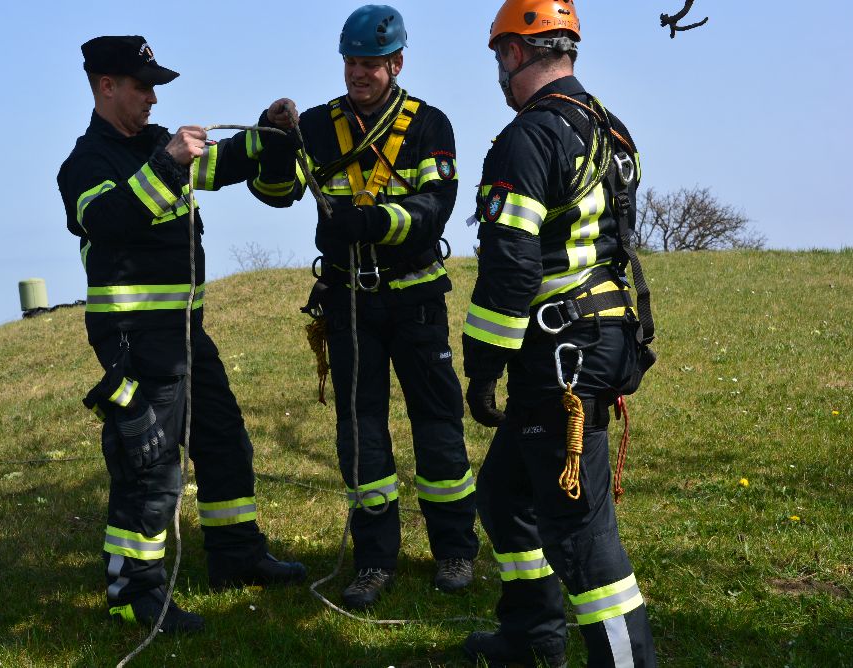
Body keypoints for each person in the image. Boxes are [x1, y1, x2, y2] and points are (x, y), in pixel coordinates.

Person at [56, 35, 306, 634]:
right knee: (149, 465)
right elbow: (109, 220)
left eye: (154, 88)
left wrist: (267, 129)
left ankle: (236, 556)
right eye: (141, 87)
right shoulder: (85, 164)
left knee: (223, 441)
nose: (152, 98)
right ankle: (134, 593)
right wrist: (168, 165)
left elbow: (230, 161)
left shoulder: (155, 142)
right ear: (106, 86)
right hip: (134, 340)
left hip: (186, 334)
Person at [256, 5, 478, 610]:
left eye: (370, 64)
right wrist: (274, 143)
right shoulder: (316, 126)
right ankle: (374, 561)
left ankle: (455, 551)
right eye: (351, 62)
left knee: (438, 427)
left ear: (396, 63)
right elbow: (276, 194)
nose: (358, 73)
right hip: (350, 303)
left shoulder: (430, 124)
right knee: (361, 435)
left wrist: (374, 222)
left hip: (416, 300)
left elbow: (436, 206)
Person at [461, 1, 658, 666]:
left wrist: (483, 365)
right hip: (595, 337)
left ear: (515, 52)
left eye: (500, 57)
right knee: (505, 493)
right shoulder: (607, 127)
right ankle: (531, 638)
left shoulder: (529, 137)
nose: (499, 72)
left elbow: (513, 267)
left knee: (581, 535)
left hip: (561, 356)